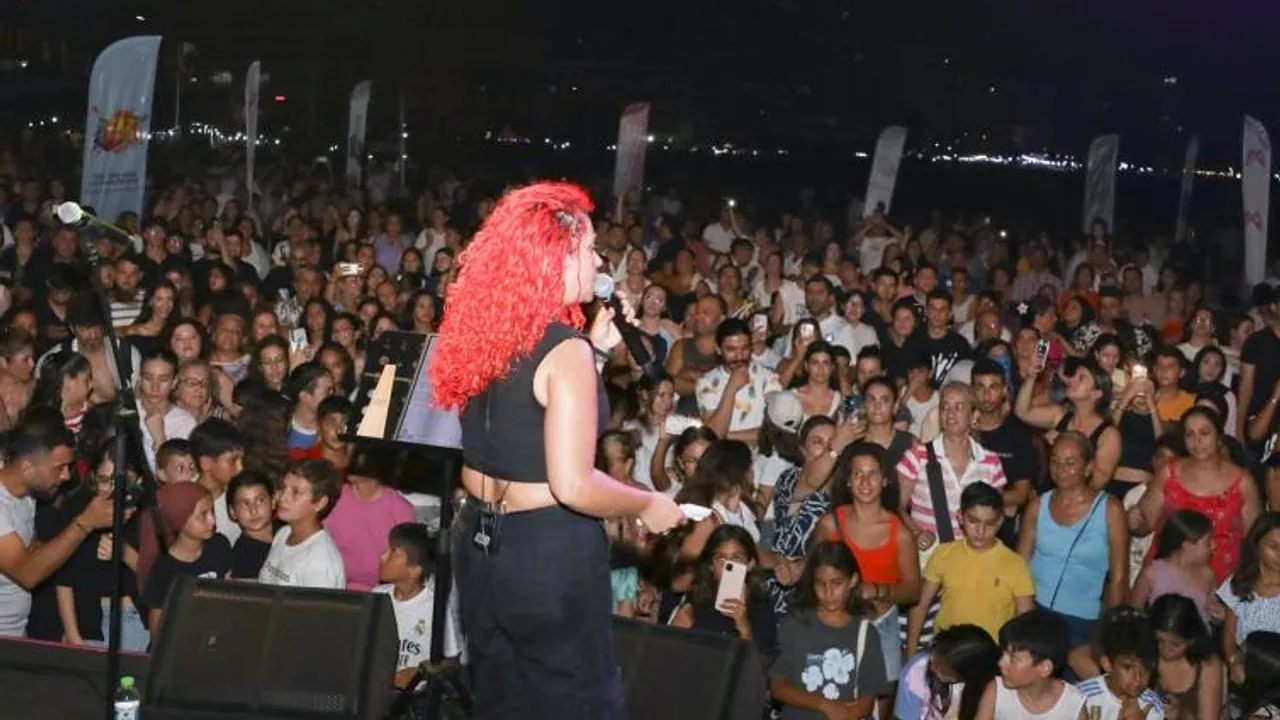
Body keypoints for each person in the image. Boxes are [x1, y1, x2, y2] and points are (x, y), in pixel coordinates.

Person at [427, 183, 683, 719]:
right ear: (557, 256)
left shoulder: (486, 329)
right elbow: (572, 484)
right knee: (578, 702)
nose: (599, 261)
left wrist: (597, 352)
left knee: (503, 701)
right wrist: (647, 504)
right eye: (589, 248)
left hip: (480, 542)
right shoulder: (564, 351)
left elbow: (525, 420)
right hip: (545, 550)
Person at [0, 411, 112, 636]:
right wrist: (84, 524)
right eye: (59, 467)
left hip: (15, 633)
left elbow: (32, 552)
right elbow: (27, 574)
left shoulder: (27, 497)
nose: (66, 476)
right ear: (27, 468)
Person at [908, 482, 1035, 656]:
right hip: (945, 651)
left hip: (990, 655)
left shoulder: (1015, 564)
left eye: (989, 523)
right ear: (960, 517)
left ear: (1000, 521)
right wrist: (911, 651)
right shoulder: (943, 553)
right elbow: (920, 605)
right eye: (973, 521)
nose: (980, 531)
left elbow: (1025, 624)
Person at [769, 541, 891, 720]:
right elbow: (777, 686)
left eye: (837, 583)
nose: (828, 592)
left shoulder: (866, 633)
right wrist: (825, 705)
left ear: (853, 580)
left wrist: (845, 713)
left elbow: (867, 703)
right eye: (821, 584)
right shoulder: (795, 624)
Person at [374, 523, 463, 690]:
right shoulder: (376, 597)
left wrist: (417, 673)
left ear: (415, 570)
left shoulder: (434, 608)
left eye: (393, 552)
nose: (383, 556)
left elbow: (452, 661)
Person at [258, 459, 345, 590]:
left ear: (320, 503)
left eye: (295, 492)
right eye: (283, 488)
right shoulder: (284, 533)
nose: (283, 497)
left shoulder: (321, 561)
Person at [984, 610, 1085, 719]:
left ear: (1045, 668)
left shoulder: (1073, 704)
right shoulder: (996, 691)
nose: (1001, 663)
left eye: (1013, 660)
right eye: (1003, 653)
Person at [895, 624, 1001, 720]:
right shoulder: (916, 671)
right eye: (935, 655)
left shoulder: (992, 690)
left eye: (942, 669)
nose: (933, 667)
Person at [1077, 607, 1166, 720]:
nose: (1138, 679)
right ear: (1107, 664)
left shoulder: (1153, 704)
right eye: (1128, 668)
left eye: (1146, 668)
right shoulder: (1082, 698)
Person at [1147, 594, 1222, 720]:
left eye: (1176, 644)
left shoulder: (1207, 664)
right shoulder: (1144, 653)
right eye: (1159, 640)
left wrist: (1182, 715)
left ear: (1192, 640)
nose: (1166, 649)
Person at [226, 472, 275, 580]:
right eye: (245, 504)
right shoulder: (242, 559)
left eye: (260, 500)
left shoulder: (291, 530)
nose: (253, 510)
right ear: (232, 511)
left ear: (273, 501)